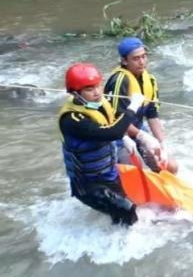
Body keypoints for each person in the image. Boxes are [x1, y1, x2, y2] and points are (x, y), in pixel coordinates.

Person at [58, 63, 159, 225]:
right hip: (88, 184)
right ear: (76, 93)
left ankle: (113, 231)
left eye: (98, 86)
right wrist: (132, 107)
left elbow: (113, 123)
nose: (97, 92)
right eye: (89, 89)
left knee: (125, 208)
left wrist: (125, 138)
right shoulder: (72, 120)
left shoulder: (98, 104)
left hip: (108, 174)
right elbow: (111, 132)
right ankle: (123, 239)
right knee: (128, 211)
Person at [104, 36, 177, 174]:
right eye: (136, 58)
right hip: (119, 136)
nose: (142, 62)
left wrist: (162, 143)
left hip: (138, 130)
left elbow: (152, 115)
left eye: (144, 56)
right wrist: (142, 136)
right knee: (137, 171)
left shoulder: (150, 80)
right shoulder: (119, 80)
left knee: (170, 166)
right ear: (124, 61)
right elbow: (116, 120)